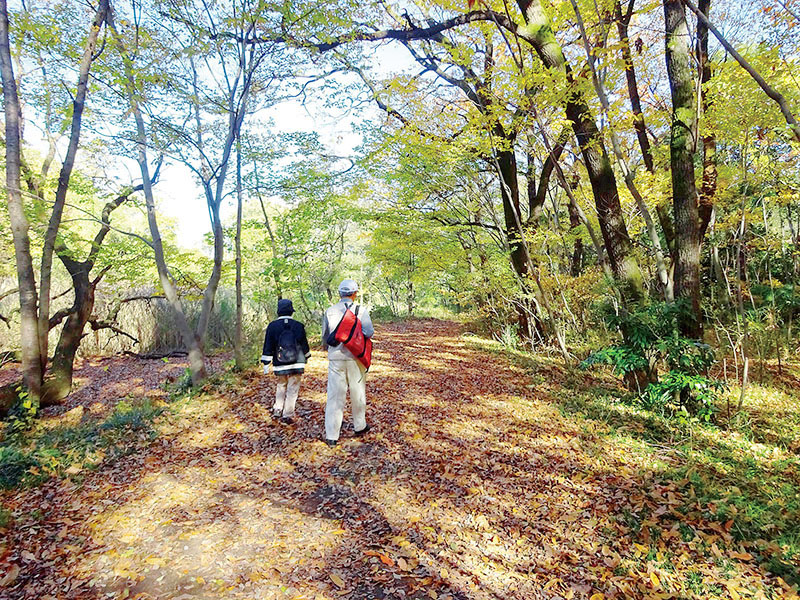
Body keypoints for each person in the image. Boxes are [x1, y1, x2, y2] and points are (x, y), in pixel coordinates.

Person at [321, 279, 374, 446]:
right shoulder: (361, 310)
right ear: (354, 294)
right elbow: (369, 332)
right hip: (356, 357)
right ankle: (360, 425)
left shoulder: (330, 311)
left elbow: (325, 336)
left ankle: (332, 435)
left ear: (339, 293)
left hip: (336, 358)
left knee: (335, 396)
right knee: (358, 393)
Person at [260, 299, 311, 424]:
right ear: (291, 311)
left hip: (280, 362)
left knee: (281, 385)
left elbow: (268, 345)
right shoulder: (299, 326)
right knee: (293, 387)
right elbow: (304, 343)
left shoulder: (272, 326)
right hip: (297, 362)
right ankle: (288, 413)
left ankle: (278, 409)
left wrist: (266, 362)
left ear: (278, 311)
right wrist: (307, 356)